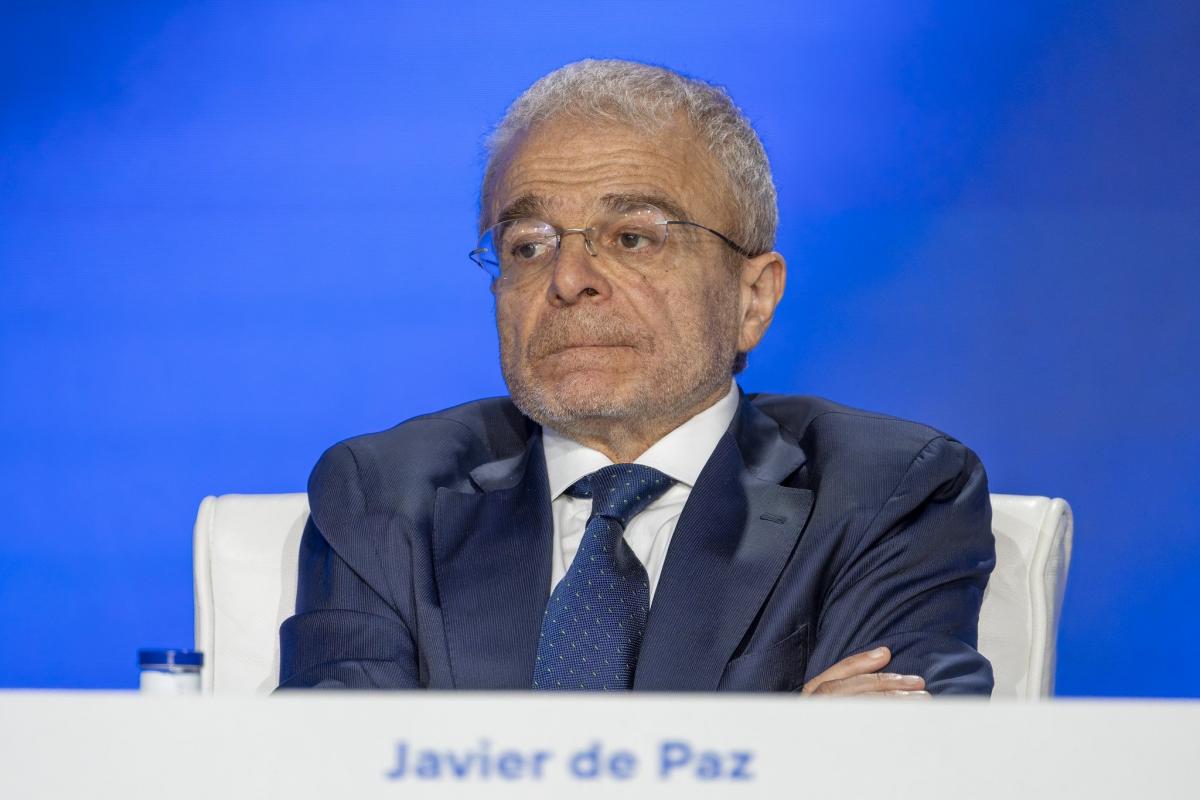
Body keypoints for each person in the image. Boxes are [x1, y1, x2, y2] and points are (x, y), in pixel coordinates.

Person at [278, 59, 995, 695]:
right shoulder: (384, 495)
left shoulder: (885, 491)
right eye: (527, 247)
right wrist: (786, 742)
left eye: (632, 238)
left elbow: (887, 765)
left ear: (752, 298)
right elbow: (340, 767)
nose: (568, 279)